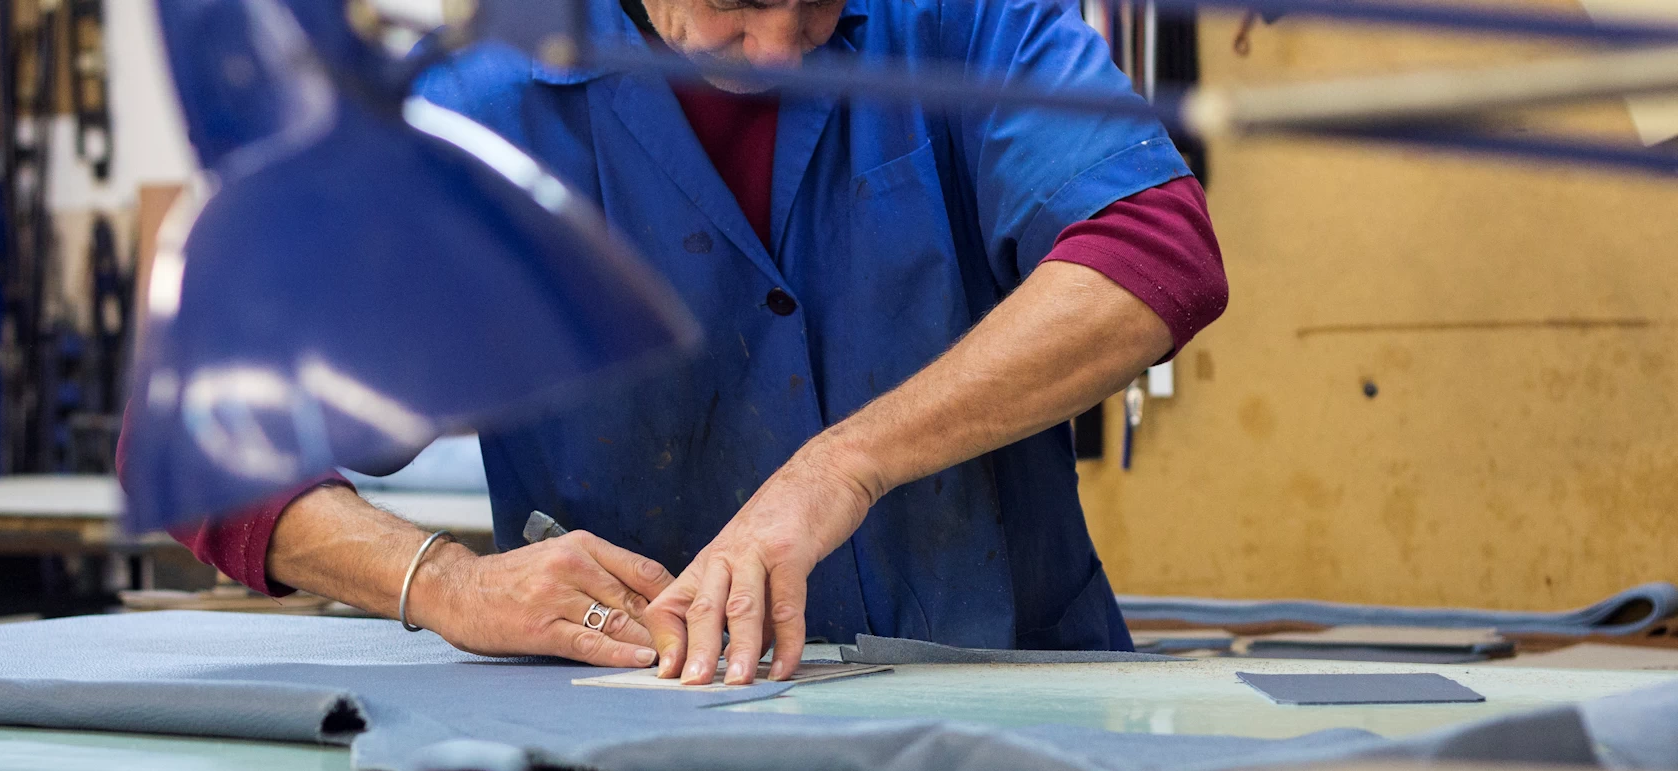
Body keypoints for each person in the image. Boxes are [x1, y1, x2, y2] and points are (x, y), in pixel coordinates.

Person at [147, 0, 1228, 686]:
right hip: (643, 763)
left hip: (1015, 716)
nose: (779, 47)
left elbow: (1153, 252)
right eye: (738, 4)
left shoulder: (971, 21)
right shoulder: (473, 110)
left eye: (818, 1)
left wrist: (844, 465)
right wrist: (445, 586)